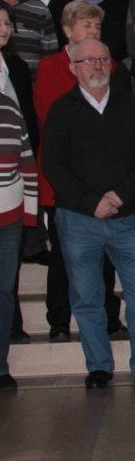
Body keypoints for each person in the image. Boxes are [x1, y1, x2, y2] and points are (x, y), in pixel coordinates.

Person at [43, 38, 135, 391]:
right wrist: (90, 201)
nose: (96, 66)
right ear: (73, 68)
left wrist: (119, 195)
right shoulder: (61, 110)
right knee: (86, 296)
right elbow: (54, 165)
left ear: (111, 65)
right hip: (80, 219)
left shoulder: (132, 106)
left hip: (130, 217)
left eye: (102, 59)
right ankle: (98, 366)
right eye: (87, 60)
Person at [34, 1, 125, 343]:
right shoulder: (50, 67)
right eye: (86, 25)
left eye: (97, 27)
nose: (93, 32)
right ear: (68, 30)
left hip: (106, 180)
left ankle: (109, 318)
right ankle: (59, 319)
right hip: (65, 181)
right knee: (63, 255)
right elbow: (51, 120)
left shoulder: (110, 66)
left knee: (105, 256)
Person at [0, 91, 36, 390]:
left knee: (3, 293)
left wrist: (31, 215)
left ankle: (0, 366)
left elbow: (26, 160)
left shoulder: (9, 106)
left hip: (10, 217)